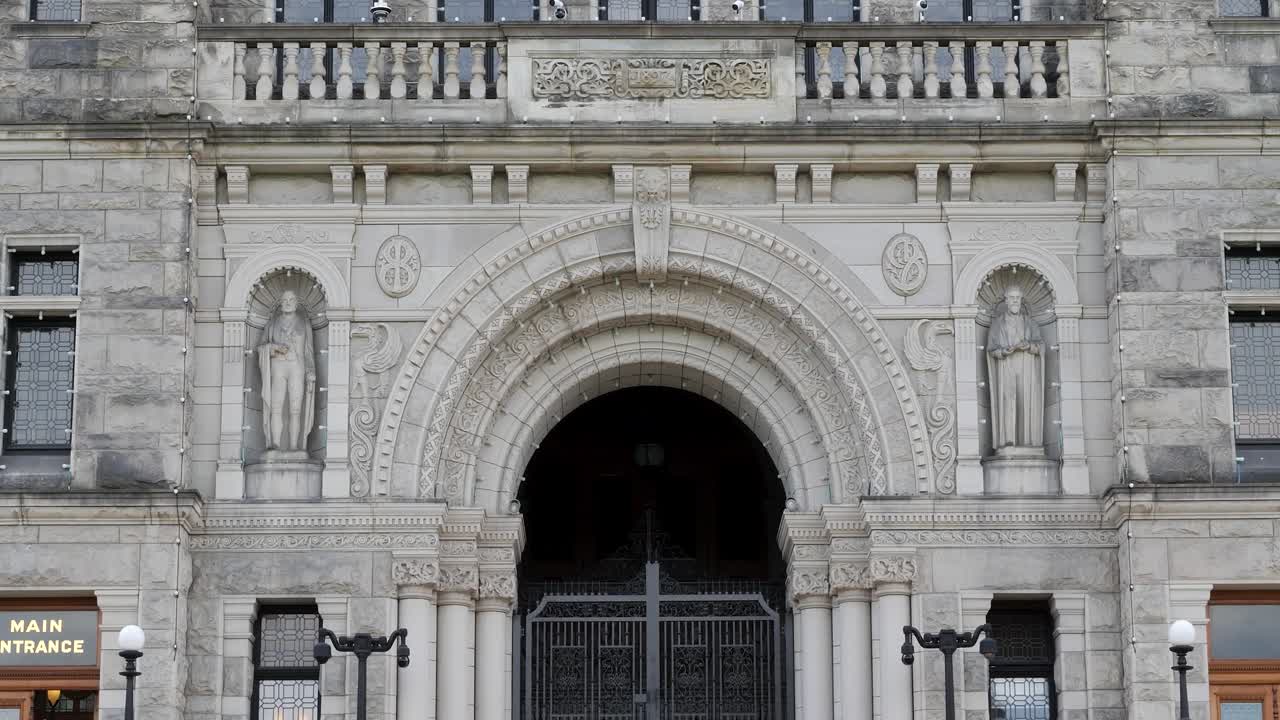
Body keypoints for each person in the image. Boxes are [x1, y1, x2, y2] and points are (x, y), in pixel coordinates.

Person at [986, 286, 1044, 451]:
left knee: (1026, 403)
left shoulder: (1030, 323)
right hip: (1006, 367)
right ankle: (1008, 442)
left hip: (1027, 366)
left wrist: (1030, 346)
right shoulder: (997, 324)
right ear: (1005, 301)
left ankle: (1028, 442)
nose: (1015, 301)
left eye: (1018, 298)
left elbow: (1041, 345)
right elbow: (990, 349)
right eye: (1011, 298)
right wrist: (1003, 351)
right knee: (1008, 403)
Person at [257, 290, 316, 452]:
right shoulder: (272, 324)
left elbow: (309, 351)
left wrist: (311, 370)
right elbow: (261, 348)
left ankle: (294, 446)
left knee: (295, 409)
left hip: (297, 366)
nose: (288, 302)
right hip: (278, 366)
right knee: (276, 406)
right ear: (280, 303)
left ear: (296, 303)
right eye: (285, 299)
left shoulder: (304, 323)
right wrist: (274, 348)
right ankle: (275, 444)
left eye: (291, 299)